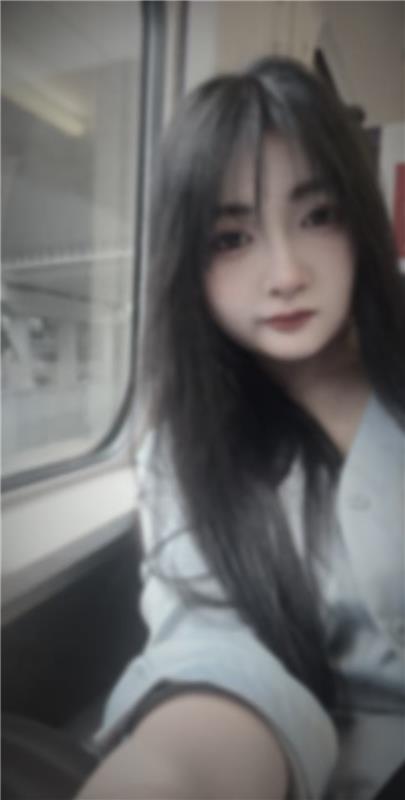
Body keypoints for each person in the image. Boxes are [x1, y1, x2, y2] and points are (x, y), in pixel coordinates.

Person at [78, 57, 405, 800]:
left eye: (317, 217)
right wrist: (174, 774)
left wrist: (334, 389)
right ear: (187, 264)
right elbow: (215, 649)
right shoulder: (182, 451)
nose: (285, 273)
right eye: (231, 239)